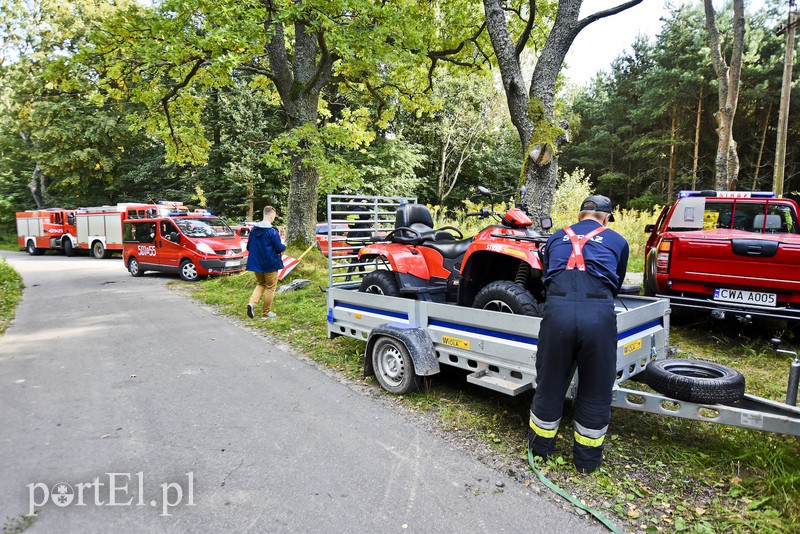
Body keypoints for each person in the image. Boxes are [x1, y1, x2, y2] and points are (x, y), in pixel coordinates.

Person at [527, 194, 629, 474]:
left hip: (557, 313)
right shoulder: (618, 241)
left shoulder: (554, 238)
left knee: (549, 383)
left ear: (580, 214)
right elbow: (616, 283)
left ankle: (540, 450)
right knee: (596, 389)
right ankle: (586, 462)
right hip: (598, 315)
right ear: (606, 217)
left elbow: (548, 275)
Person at [246, 206, 286, 319]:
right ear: (272, 216)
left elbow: (249, 247)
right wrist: (284, 246)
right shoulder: (272, 231)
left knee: (261, 284)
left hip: (256, 264)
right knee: (270, 287)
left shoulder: (254, 230)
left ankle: (251, 303)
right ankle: (265, 313)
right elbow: (279, 248)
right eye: (274, 217)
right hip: (270, 264)